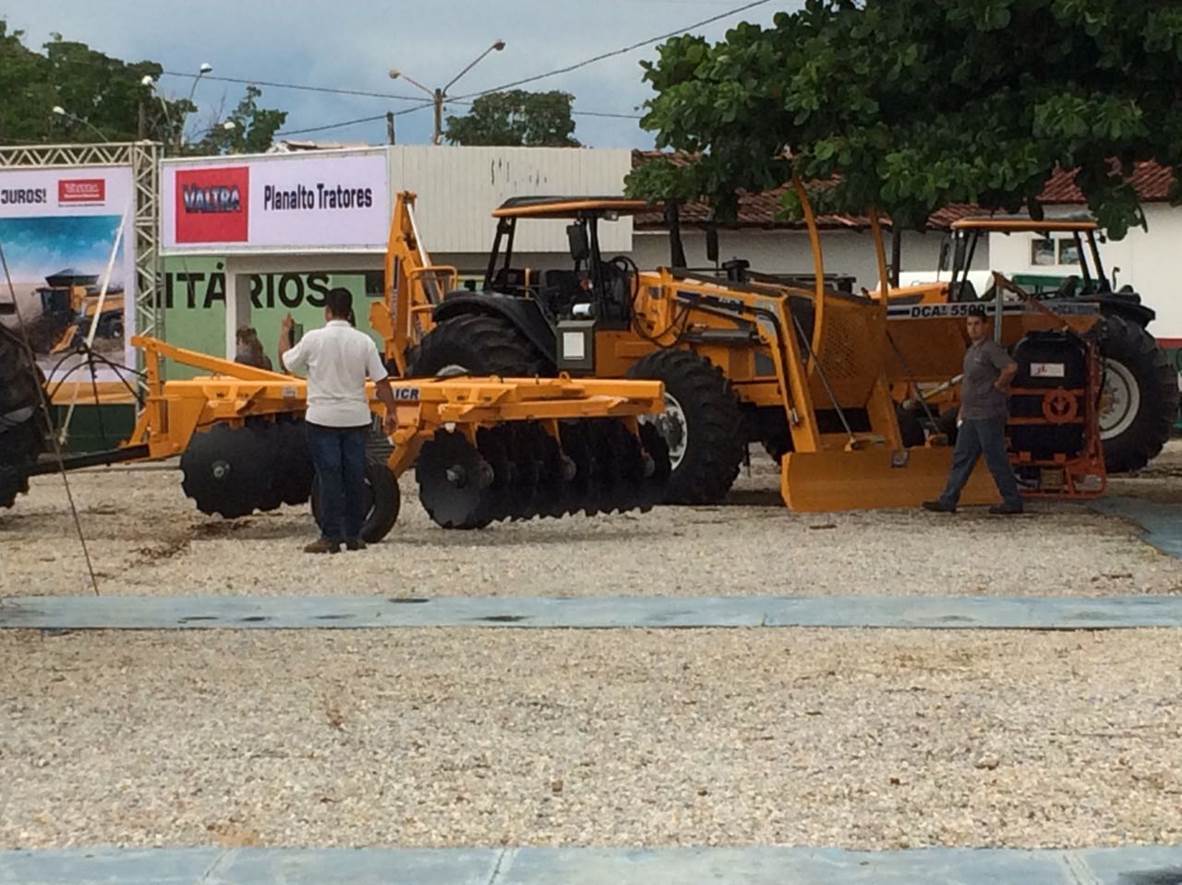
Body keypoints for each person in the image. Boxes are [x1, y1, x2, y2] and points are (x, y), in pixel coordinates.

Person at [278, 289, 398, 553]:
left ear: (327, 311)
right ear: (349, 310)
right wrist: (391, 411)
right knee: (354, 476)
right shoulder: (363, 341)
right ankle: (354, 536)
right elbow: (382, 381)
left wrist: (285, 332)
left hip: (321, 418)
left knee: (329, 476)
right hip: (356, 418)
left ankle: (330, 537)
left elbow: (287, 363)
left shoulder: (314, 339)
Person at [923, 305, 1024, 515]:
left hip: (988, 414)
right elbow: (968, 383)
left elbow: (1011, 367)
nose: (973, 328)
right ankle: (948, 499)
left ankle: (1012, 501)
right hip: (971, 414)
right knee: (962, 457)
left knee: (995, 458)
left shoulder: (990, 349)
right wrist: (962, 410)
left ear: (985, 326)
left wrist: (999, 385)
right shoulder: (971, 352)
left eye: (977, 324)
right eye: (969, 324)